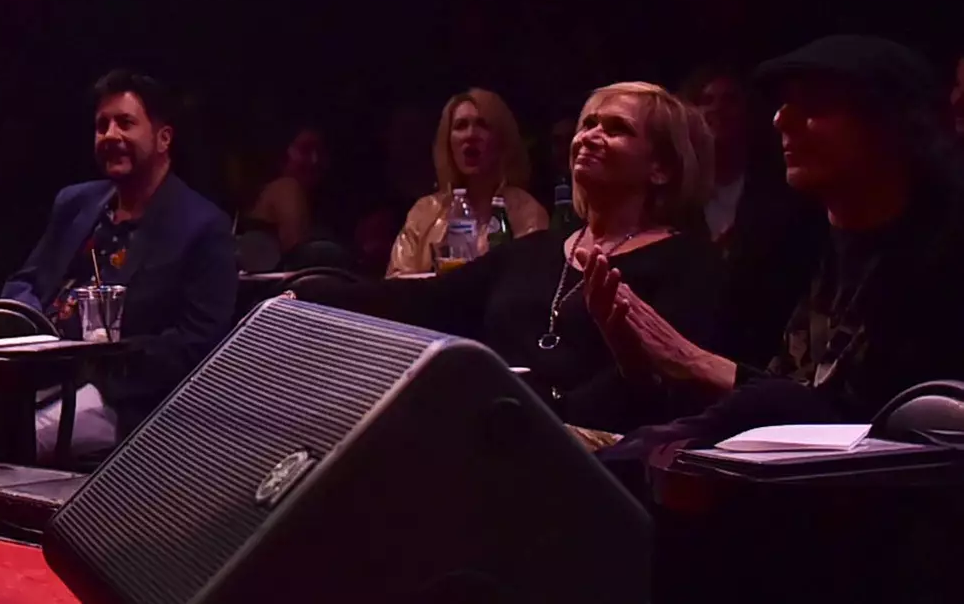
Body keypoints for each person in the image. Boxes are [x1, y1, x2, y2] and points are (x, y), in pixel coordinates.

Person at [587, 36, 964, 431]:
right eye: (784, 104)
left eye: (813, 105)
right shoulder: (781, 245)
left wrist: (695, 362)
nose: (780, 120)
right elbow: (710, 406)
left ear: (892, 126)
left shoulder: (944, 257)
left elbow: (873, 425)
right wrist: (638, 364)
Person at [302, 83, 724, 433]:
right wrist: (307, 294)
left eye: (616, 129)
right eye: (588, 124)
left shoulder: (687, 263)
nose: (590, 136)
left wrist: (542, 421)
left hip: (589, 455)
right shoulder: (536, 250)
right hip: (491, 432)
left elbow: (665, 388)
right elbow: (421, 301)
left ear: (661, 170)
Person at [0, 71, 235, 459]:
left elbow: (198, 344)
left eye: (125, 123)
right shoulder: (75, 203)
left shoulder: (202, 226)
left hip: (119, 395)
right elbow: (26, 281)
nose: (110, 135)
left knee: (3, 439)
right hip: (37, 372)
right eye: (102, 125)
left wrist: (102, 362)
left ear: (164, 138)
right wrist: (29, 332)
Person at [679, 64, 824, 367]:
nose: (718, 109)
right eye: (706, 100)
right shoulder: (674, 194)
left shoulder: (785, 189)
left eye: (730, 99)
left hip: (761, 348)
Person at [386, 89, 549, 275]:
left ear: (501, 140)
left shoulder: (527, 212)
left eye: (482, 125)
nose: (470, 135)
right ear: (448, 142)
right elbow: (396, 283)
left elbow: (534, 283)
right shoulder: (424, 212)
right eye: (460, 126)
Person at [245, 123, 337, 260]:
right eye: (305, 150)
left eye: (320, 152)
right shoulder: (287, 187)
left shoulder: (307, 199)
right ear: (283, 153)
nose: (315, 160)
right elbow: (300, 256)